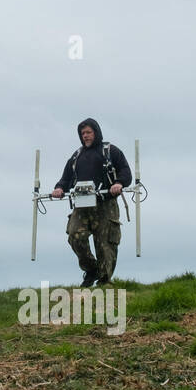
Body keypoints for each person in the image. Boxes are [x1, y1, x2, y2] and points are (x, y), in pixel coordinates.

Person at [50, 118, 132, 287]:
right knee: (75, 235)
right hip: (82, 205)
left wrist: (119, 183)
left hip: (105, 205)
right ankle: (91, 269)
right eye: (83, 134)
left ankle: (104, 281)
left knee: (105, 244)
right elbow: (65, 178)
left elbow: (125, 171)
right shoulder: (77, 156)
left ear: (96, 132)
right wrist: (59, 188)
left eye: (88, 132)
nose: (85, 136)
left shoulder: (110, 151)